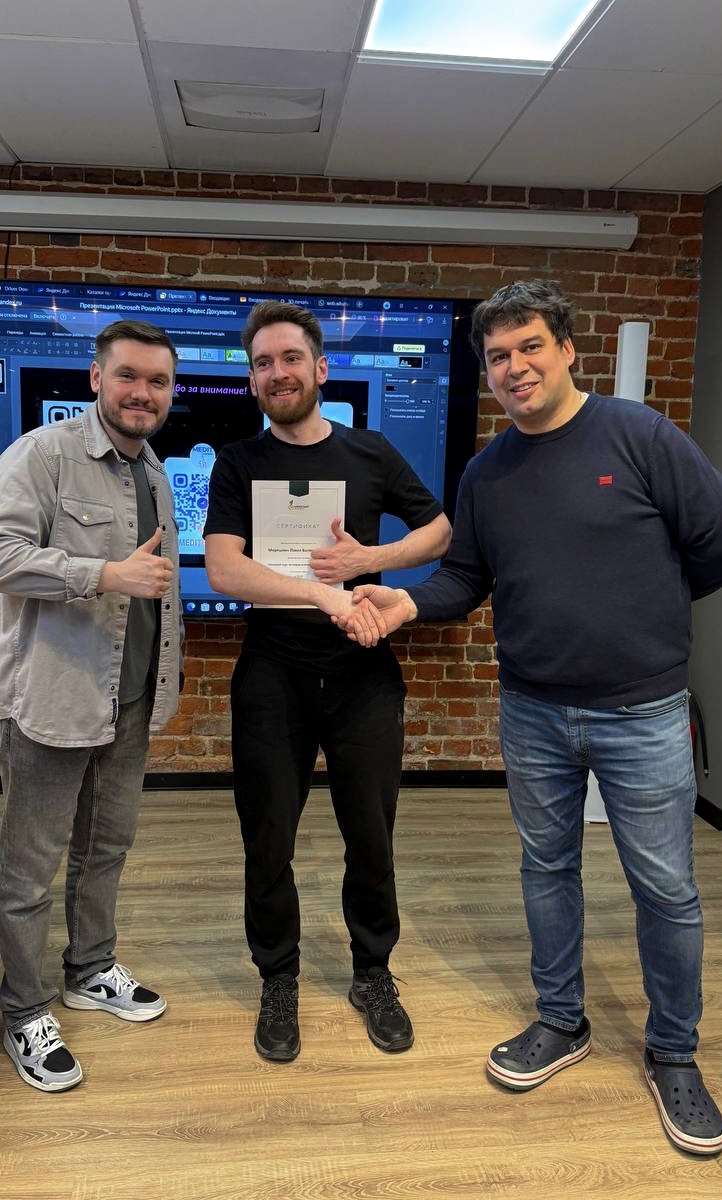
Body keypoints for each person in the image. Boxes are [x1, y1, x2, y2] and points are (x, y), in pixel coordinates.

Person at [336, 279, 722, 1155]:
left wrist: (645, 614)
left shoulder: (639, 435)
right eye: (498, 356)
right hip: (532, 710)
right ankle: (561, 1020)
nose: (514, 367)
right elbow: (467, 578)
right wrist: (405, 603)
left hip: (643, 712)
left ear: (567, 349)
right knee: (546, 869)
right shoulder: (488, 472)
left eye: (530, 346)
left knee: (666, 889)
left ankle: (674, 1052)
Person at [203, 300, 451, 1063]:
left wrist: (368, 562)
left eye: (289, 359)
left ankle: (372, 972)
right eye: (263, 364)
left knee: (370, 836)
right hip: (272, 674)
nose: (277, 373)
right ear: (253, 380)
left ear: (320, 368)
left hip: (362, 674)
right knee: (267, 839)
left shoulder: (371, 451)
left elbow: (440, 529)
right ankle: (278, 977)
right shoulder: (238, 461)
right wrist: (321, 594)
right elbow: (224, 567)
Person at [0, 319, 182, 1093]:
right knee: (30, 870)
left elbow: (160, 593)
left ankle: (90, 967)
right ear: (96, 379)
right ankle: (25, 1013)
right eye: (128, 376)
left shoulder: (155, 471)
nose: (142, 393)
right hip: (53, 700)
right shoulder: (41, 455)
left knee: (106, 847)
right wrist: (102, 575)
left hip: (129, 701)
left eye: (157, 381)